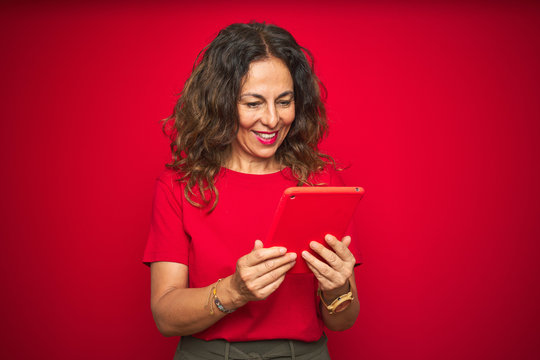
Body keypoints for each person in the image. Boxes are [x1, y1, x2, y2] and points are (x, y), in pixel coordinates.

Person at [143, 21, 361, 360]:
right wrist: (234, 291)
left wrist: (337, 286)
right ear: (221, 103)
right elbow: (165, 315)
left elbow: (343, 320)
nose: (273, 119)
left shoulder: (322, 182)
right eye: (253, 103)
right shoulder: (178, 187)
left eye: (284, 101)